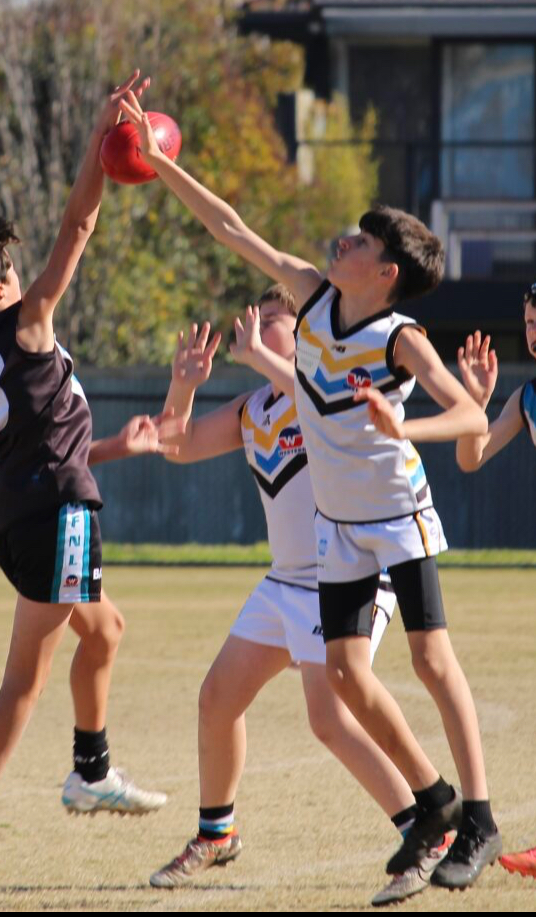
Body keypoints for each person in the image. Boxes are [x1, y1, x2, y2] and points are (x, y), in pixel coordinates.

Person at [118, 85, 501, 892]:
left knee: (430, 660)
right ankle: (430, 802)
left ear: (385, 272)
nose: (341, 240)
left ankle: (477, 815)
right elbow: (230, 227)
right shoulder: (314, 298)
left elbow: (468, 411)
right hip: (338, 530)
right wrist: (157, 161)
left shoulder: (398, 337)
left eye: (360, 240)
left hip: (395, 515)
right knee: (345, 681)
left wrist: (407, 427)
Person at [149, 285, 451, 905]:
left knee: (329, 718)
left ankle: (426, 832)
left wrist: (265, 357)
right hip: (286, 579)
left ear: (305, 334)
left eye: (275, 321)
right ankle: (217, 833)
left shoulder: (324, 391)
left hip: (346, 573)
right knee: (217, 699)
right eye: (258, 318)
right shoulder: (254, 407)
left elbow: (312, 396)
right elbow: (177, 445)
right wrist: (183, 385)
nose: (257, 326)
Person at [0, 71, 183, 881]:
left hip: (23, 513)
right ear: (1, 286)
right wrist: (101, 143)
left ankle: (91, 768)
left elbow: (46, 440)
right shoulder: (25, 324)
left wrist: (115, 443)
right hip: (55, 515)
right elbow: (79, 223)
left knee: (105, 629)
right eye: (13, 268)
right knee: (26, 677)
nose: (25, 274)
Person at [456, 283, 536, 882]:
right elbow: (471, 457)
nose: (534, 332)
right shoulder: (527, 396)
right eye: (530, 322)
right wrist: (475, 403)